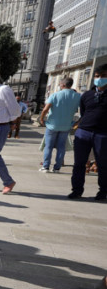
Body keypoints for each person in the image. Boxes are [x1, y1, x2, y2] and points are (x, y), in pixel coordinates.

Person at [69, 63, 107, 201]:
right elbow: (83, 112)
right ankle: (76, 190)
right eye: (97, 76)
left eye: (103, 76)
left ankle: (103, 191)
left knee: (103, 165)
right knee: (79, 164)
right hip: (84, 132)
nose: (100, 79)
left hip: (103, 135)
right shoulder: (87, 95)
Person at [38, 77, 80, 173]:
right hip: (66, 126)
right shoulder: (77, 96)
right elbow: (84, 111)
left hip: (52, 125)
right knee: (61, 147)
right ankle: (57, 168)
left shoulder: (55, 95)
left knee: (48, 146)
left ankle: (46, 166)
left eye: (60, 84)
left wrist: (41, 119)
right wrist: (78, 122)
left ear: (63, 85)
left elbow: (45, 109)